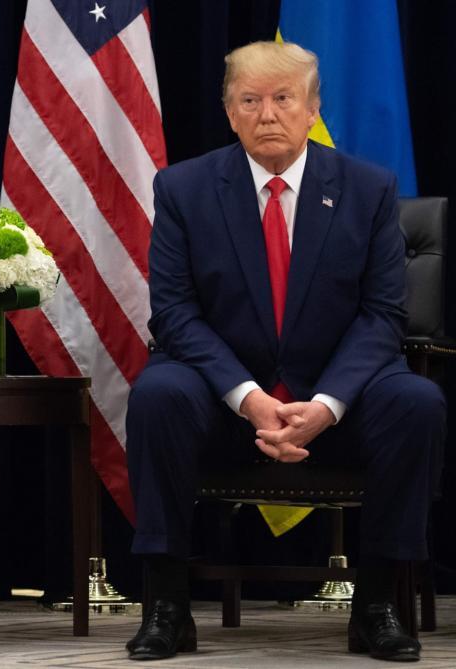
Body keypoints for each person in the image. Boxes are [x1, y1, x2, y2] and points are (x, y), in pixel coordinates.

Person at [124, 41, 445, 662]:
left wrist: (326, 405)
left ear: (312, 108)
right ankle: (167, 606)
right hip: (223, 404)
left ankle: (377, 605)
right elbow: (175, 314)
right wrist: (248, 399)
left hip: (336, 404)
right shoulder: (184, 188)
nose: (267, 114)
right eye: (250, 100)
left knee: (417, 402)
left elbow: (382, 316)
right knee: (157, 394)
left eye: (282, 98)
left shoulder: (368, 189)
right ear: (229, 112)